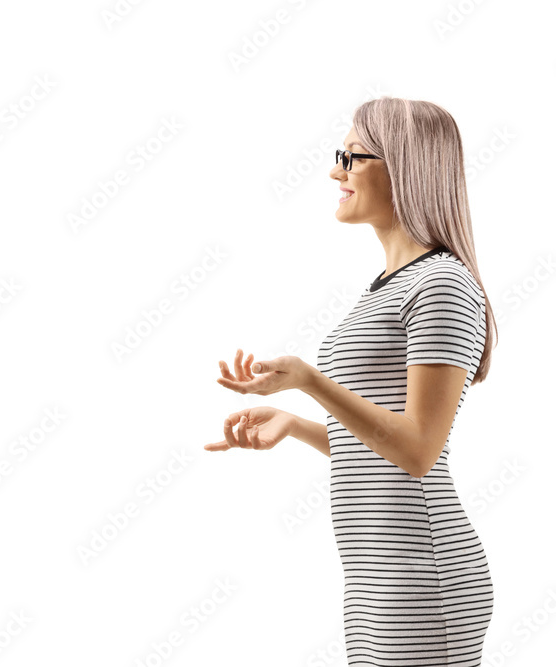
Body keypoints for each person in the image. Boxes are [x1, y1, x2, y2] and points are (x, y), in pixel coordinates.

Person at [205, 97, 496, 665]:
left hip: (421, 573)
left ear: (405, 165)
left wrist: (311, 383)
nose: (336, 171)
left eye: (353, 156)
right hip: (375, 577)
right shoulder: (385, 287)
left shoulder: (441, 284)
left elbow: (417, 450)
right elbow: (380, 443)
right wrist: (299, 425)